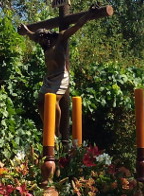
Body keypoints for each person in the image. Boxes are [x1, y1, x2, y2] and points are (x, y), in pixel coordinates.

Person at [18, 12, 92, 141]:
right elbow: (31, 36)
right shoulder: (44, 44)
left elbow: (77, 26)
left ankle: (56, 132)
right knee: (40, 102)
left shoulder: (60, 39)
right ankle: (48, 126)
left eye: (42, 37)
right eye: (39, 39)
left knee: (53, 101)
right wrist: (26, 30)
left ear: (48, 35)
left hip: (60, 77)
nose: (41, 40)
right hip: (49, 78)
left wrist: (89, 14)